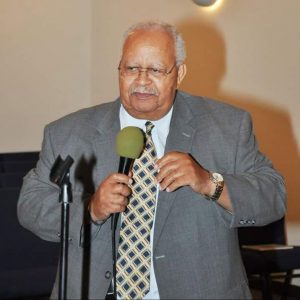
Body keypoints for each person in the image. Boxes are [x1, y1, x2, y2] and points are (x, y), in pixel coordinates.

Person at [18, 21, 286, 299]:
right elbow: (31, 204)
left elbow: (273, 197)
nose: (142, 80)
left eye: (156, 70)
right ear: (119, 70)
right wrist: (90, 209)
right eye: (131, 68)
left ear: (179, 73)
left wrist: (209, 182)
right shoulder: (69, 132)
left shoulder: (228, 126)